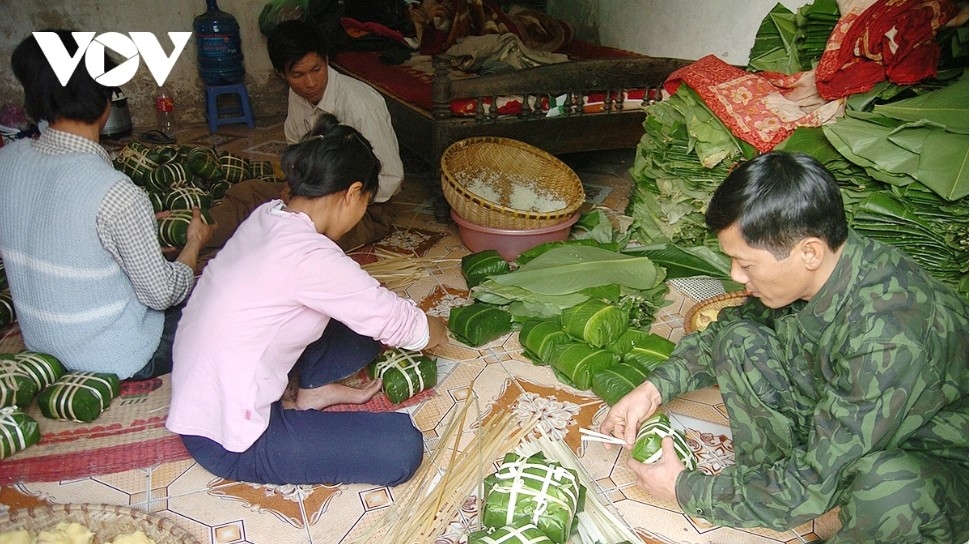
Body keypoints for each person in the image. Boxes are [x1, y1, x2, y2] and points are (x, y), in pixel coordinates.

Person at [600, 151, 968, 543]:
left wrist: (684, 489)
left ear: (807, 252)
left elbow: (814, 481)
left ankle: (786, 498)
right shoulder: (825, 264)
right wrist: (651, 390)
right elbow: (724, 331)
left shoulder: (888, 335)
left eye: (745, 263)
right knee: (738, 340)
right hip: (862, 420)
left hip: (937, 464)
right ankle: (769, 494)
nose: (735, 276)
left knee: (886, 488)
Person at [166, 114, 449, 486]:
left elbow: (367, 309)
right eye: (365, 201)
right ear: (352, 193)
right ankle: (294, 417)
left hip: (206, 394)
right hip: (225, 437)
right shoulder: (310, 257)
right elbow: (403, 324)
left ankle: (313, 392)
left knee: (358, 327)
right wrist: (440, 330)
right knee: (401, 447)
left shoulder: (267, 216)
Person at [0, 31, 212, 380]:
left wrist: (136, 232)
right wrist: (193, 246)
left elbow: (61, 232)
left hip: (43, 345)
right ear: (104, 102)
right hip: (116, 356)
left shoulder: (8, 161)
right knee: (215, 291)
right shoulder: (115, 192)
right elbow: (161, 296)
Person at [208, 19, 405, 252]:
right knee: (248, 194)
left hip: (362, 209)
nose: (310, 83)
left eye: (316, 69)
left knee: (290, 237)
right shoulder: (297, 95)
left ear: (327, 60)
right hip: (312, 195)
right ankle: (193, 238)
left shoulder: (360, 105)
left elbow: (392, 176)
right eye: (298, 75)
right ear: (282, 75)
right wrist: (294, 187)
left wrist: (330, 200)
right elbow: (299, 154)